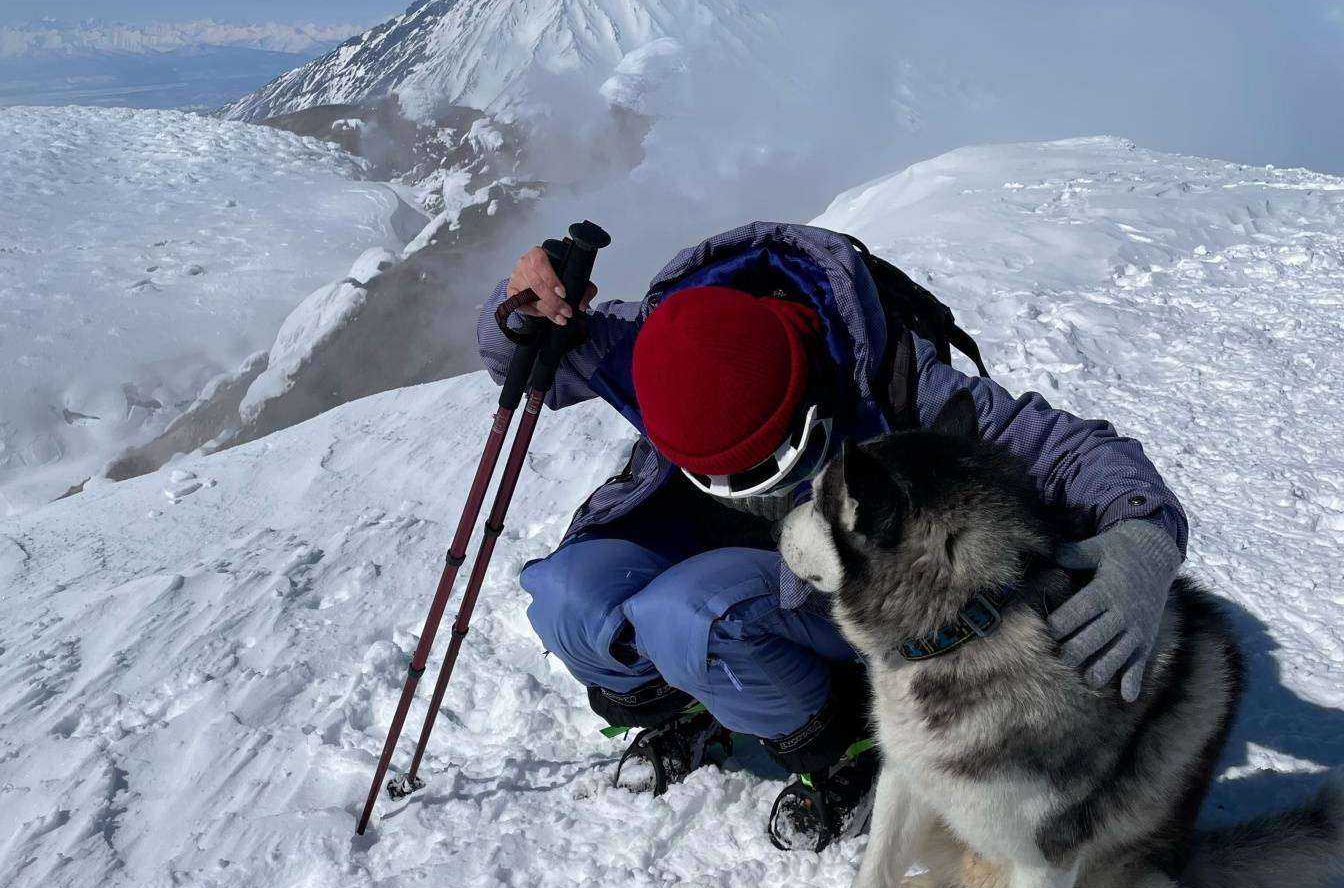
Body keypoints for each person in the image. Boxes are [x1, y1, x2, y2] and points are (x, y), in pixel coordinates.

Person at [477, 223, 1187, 850]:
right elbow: (524, 359)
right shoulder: (668, 342)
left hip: (833, 591)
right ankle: (704, 695)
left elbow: (1068, 450)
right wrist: (520, 312)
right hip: (724, 557)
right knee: (567, 595)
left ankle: (842, 739)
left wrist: (1143, 539)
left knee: (690, 612)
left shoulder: (890, 380)